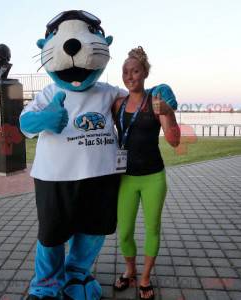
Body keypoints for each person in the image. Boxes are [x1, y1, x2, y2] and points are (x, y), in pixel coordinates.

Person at [112, 46, 180, 300]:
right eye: (125, 72)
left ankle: (145, 277)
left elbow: (174, 141)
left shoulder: (155, 101)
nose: (130, 76)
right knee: (125, 230)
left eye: (135, 71)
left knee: (152, 227)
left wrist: (169, 112)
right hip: (126, 178)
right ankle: (130, 270)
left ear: (145, 73)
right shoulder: (117, 103)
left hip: (153, 177)